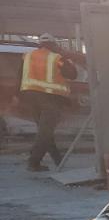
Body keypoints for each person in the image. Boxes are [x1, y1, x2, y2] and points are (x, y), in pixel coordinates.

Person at [18, 35, 77, 171]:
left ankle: (58, 159)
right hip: (50, 98)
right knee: (45, 132)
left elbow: (20, 76)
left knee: (44, 131)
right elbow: (73, 74)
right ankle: (33, 162)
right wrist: (65, 56)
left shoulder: (28, 56)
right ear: (53, 44)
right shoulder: (56, 57)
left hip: (31, 97)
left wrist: (17, 96)